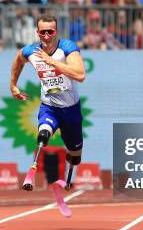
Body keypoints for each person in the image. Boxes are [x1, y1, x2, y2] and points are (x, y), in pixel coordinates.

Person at [10, 15, 86, 192]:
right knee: (43, 135)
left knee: (75, 156)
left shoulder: (67, 48)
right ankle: (31, 172)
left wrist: (53, 62)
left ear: (56, 32)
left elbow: (80, 75)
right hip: (49, 108)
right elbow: (18, 59)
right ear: (37, 32)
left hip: (71, 110)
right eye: (43, 32)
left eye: (50, 31)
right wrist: (13, 85)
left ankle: (71, 165)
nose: (46, 36)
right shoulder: (32, 51)